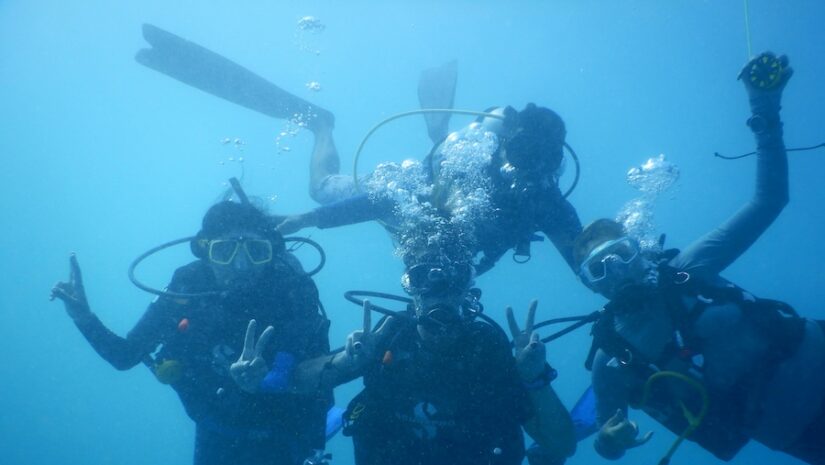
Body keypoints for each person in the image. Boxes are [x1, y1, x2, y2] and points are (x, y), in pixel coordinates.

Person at [572, 52, 825, 464]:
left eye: (621, 254)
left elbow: (769, 201)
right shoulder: (612, 357)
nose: (616, 271)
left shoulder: (689, 269)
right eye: (599, 269)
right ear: (590, 284)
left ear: (639, 251)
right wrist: (610, 441)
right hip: (804, 436)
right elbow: (606, 433)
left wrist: (765, 107)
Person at [51, 200, 332, 465]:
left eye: (256, 252)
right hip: (218, 434)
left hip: (289, 434)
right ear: (205, 252)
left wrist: (271, 380)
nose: (241, 265)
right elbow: (124, 356)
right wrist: (84, 318)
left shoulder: (290, 288)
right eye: (225, 251)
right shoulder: (187, 289)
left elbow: (311, 369)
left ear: (271, 254)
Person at [234, 250, 577, 465]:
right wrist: (347, 363)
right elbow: (297, 383)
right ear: (411, 291)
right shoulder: (389, 335)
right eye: (423, 278)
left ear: (467, 290)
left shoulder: (487, 347)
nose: (438, 291)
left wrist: (535, 378)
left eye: (452, 278)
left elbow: (561, 443)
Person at [280, 101, 583, 274]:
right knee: (320, 190)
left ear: (557, 159)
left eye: (547, 156)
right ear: (503, 141)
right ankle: (322, 125)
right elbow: (383, 201)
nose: (532, 163)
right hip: (407, 190)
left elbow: (584, 261)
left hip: (446, 252)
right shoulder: (468, 162)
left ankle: (438, 132)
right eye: (525, 149)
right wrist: (311, 218)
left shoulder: (546, 201)